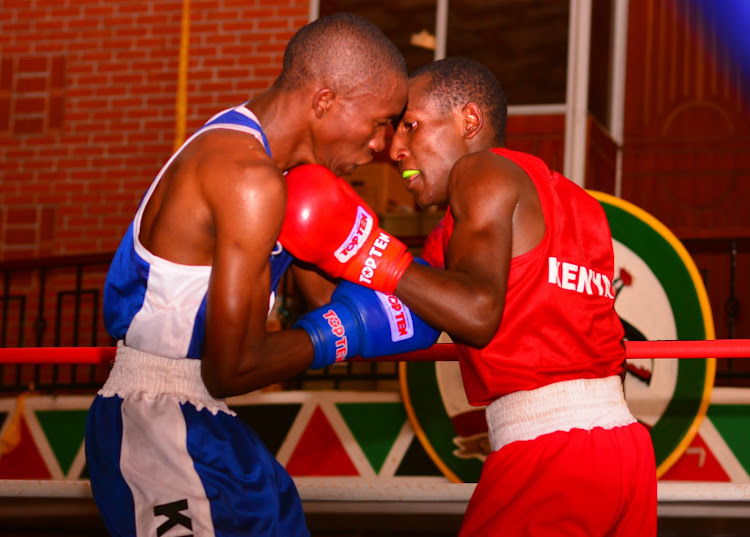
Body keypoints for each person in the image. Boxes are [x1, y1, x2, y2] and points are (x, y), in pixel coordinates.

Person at [85, 14, 428, 537]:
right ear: (324, 101)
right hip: (158, 421)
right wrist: (347, 331)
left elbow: (326, 296)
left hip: (203, 417)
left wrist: (381, 279)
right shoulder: (248, 179)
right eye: (380, 120)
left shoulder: (285, 178)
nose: (381, 144)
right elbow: (233, 366)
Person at [282, 57, 657, 535]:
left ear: (469, 121)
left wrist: (373, 253)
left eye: (411, 126)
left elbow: (477, 313)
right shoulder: (569, 201)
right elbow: (367, 313)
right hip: (623, 450)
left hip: (553, 452)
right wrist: (311, 243)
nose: (395, 148)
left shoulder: (479, 171)